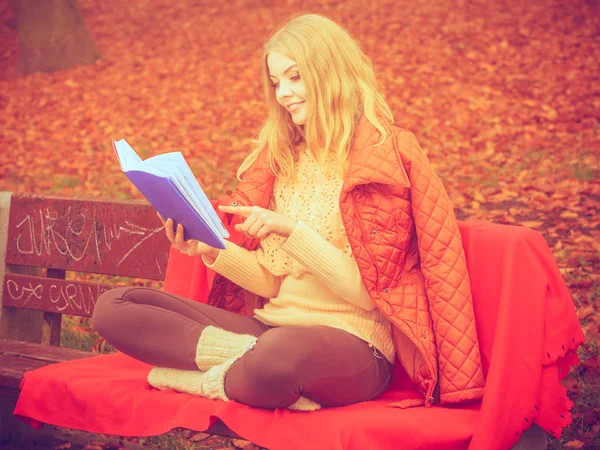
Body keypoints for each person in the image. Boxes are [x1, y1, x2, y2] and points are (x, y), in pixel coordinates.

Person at [92, 13, 485, 412]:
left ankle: (213, 379)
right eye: (277, 82)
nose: (283, 93)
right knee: (116, 308)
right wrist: (210, 250)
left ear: (331, 73)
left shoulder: (383, 158)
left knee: (277, 355)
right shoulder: (281, 161)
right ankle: (247, 368)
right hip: (271, 329)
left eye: (295, 77)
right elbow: (271, 285)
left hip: (353, 342)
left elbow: (369, 296)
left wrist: (294, 231)